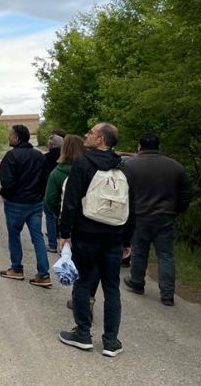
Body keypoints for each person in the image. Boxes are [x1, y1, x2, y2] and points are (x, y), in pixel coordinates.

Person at [58, 123, 135, 358]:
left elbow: (70, 202)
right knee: (112, 287)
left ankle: (83, 334)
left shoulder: (82, 164)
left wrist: (64, 234)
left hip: (86, 233)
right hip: (113, 236)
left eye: (90, 133)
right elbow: (132, 207)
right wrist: (127, 240)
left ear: (101, 139)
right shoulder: (124, 167)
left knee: (83, 282)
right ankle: (111, 341)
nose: (86, 135)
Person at [122, 133, 193, 306]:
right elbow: (187, 193)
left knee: (139, 251)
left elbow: (122, 192)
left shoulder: (130, 165)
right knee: (166, 255)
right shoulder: (175, 166)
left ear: (140, 146)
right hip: (165, 217)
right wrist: (176, 210)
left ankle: (137, 283)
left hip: (140, 215)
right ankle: (167, 294)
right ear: (158, 146)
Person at [43, 135, 98, 312]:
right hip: (94, 221)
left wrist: (59, 217)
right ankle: (89, 296)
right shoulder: (93, 168)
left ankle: (79, 301)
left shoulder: (58, 173)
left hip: (70, 223)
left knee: (76, 263)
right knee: (93, 264)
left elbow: (50, 200)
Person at [0, 124, 51, 287]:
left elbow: (6, 182)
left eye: (10, 135)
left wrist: (7, 195)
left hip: (16, 203)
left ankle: (16, 269)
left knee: (14, 236)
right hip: (35, 203)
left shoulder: (11, 156)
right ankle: (43, 274)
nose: (9, 137)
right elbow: (45, 180)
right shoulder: (39, 156)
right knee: (38, 237)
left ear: (17, 137)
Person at [43, 131, 65, 252]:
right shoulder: (66, 158)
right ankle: (65, 243)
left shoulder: (45, 157)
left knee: (50, 217)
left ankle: (52, 244)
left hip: (49, 190)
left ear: (51, 145)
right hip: (65, 191)